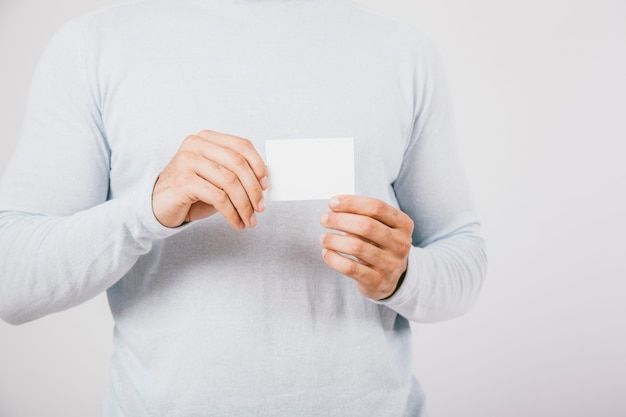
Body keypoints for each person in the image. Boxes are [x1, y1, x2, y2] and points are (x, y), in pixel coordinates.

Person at [0, 0, 487, 415]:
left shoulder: (402, 51)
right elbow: (12, 279)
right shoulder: (95, 46)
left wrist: (403, 274)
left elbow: (462, 254)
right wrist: (147, 209)